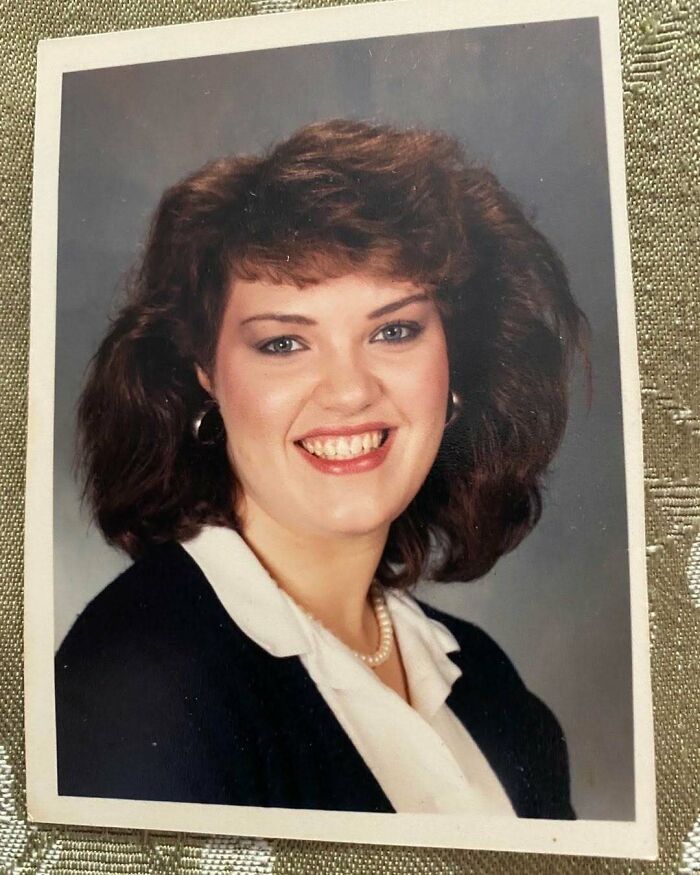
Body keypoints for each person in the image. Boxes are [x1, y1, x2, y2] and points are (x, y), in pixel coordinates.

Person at [55, 119, 585, 818]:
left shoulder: (487, 683)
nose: (348, 390)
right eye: (283, 342)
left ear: (455, 359)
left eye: (394, 330)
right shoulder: (133, 679)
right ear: (205, 374)